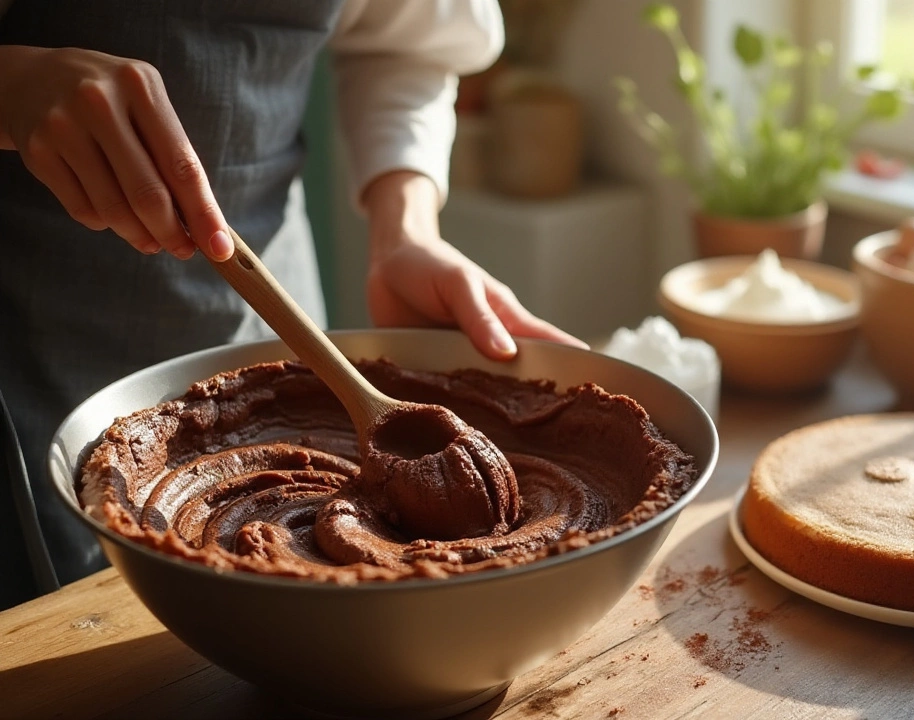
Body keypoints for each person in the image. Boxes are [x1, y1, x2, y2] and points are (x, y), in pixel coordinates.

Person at [0, 0, 583, 609]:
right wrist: (13, 85)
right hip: (33, 344)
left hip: (280, 305)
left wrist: (404, 231)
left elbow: (410, 42)